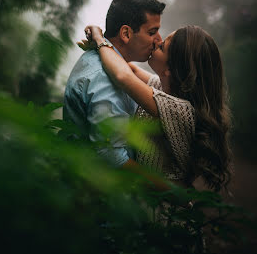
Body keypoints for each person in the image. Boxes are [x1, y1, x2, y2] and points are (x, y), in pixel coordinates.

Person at [81, 24, 232, 192]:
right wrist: (105, 48)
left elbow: (123, 76)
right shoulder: (163, 88)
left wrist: (99, 39)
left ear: (170, 69)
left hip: (159, 210)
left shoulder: (180, 110)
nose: (156, 42)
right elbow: (130, 69)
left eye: (162, 47)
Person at [63, 0, 165, 171]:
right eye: (152, 32)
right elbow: (110, 156)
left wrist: (100, 39)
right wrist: (171, 191)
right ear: (126, 33)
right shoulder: (104, 77)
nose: (159, 41)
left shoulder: (113, 64)